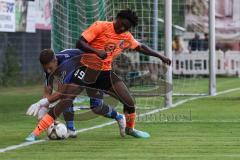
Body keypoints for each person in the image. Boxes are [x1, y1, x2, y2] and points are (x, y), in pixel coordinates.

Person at [26, 9, 171, 141]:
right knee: (65, 100)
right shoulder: (100, 26)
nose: (123, 28)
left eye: (127, 27)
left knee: (129, 102)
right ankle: (35, 133)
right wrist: (97, 52)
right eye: (122, 24)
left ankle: (129, 129)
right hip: (85, 70)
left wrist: (160, 56)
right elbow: (80, 43)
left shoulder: (126, 36)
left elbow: (140, 47)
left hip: (105, 73)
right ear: (117, 18)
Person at [25, 49, 125, 141]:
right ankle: (71, 130)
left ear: (55, 60)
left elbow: (61, 92)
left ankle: (119, 117)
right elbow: (48, 90)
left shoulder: (66, 65)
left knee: (96, 107)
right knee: (67, 98)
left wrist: (41, 103)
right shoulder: (49, 67)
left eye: (50, 68)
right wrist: (43, 107)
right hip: (80, 72)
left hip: (94, 71)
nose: (49, 71)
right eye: (46, 69)